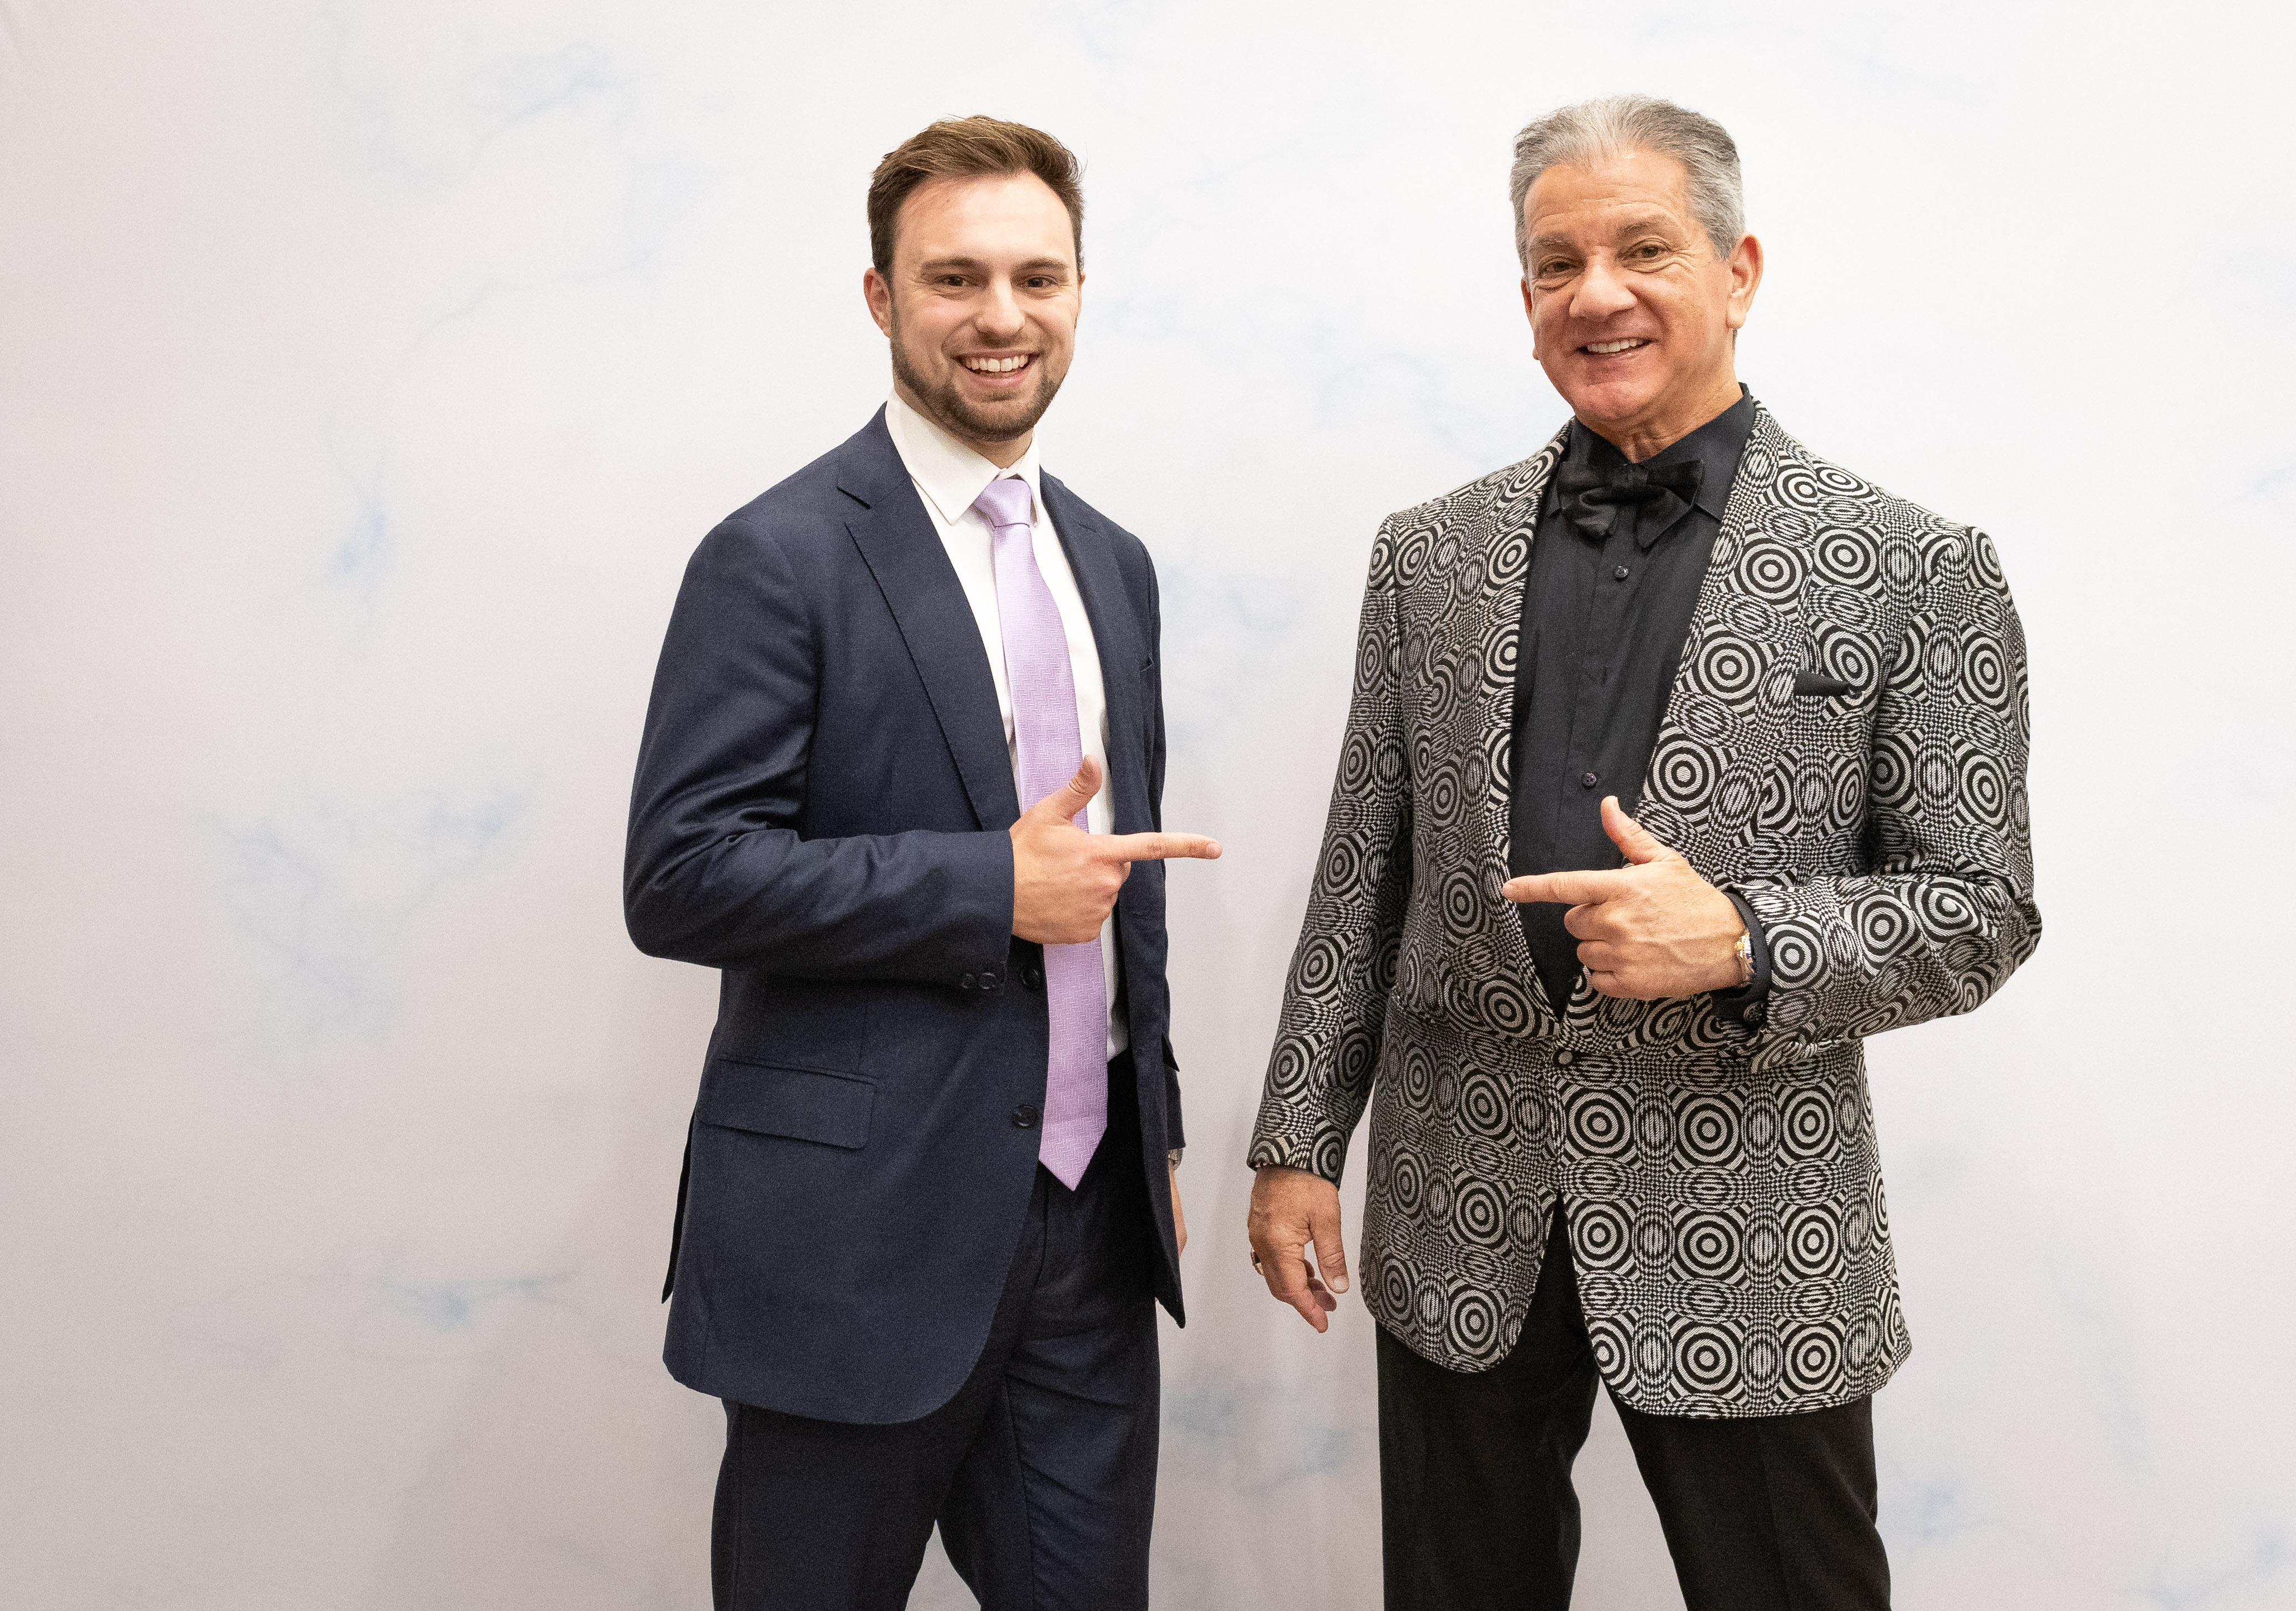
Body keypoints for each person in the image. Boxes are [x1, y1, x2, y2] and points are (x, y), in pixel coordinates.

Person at [1244, 94, 2041, 1610]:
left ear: (1738, 271)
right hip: (1457, 1204)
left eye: (1641, 250)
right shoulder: (1427, 555)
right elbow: (1363, 871)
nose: (1593, 292)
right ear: (1524, 297)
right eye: (1556, 263)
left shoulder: (1914, 566)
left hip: (1754, 1223)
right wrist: (1296, 1139)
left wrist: (1743, 937)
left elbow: (1982, 905)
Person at [625, 115, 1219, 1611]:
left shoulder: (1115, 562)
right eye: (956, 278)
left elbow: (1117, 880)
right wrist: (984, 889)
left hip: (1088, 1232)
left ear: (1078, 292)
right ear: (882, 297)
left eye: (1037, 277)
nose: (1001, 315)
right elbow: (682, 872)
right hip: (855, 1243)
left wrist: (1150, 1126)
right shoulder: (776, 555)